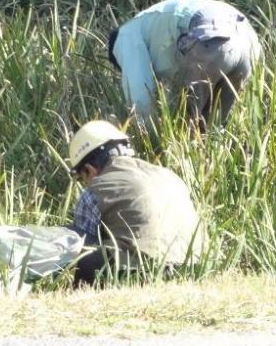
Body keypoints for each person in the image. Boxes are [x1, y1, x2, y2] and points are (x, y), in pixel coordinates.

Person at [66, 120, 204, 287]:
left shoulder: (96, 190)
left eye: (82, 177)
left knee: (80, 249)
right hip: (194, 267)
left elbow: (79, 246)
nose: (85, 183)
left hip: (143, 272)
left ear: (89, 169)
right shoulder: (169, 176)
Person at [107, 0, 262, 129]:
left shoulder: (124, 36)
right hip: (248, 39)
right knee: (210, 132)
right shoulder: (151, 25)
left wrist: (147, 137)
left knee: (185, 127)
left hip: (210, 37)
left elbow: (140, 96)